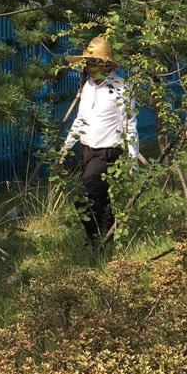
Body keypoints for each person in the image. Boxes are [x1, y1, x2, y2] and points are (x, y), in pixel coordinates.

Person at [62, 36, 139, 243]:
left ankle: (93, 240)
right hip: (86, 149)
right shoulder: (87, 87)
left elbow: (130, 126)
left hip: (107, 150)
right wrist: (65, 149)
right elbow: (81, 119)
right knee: (101, 198)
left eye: (92, 62)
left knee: (85, 193)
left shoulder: (122, 89)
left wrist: (132, 160)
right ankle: (108, 238)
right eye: (86, 63)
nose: (88, 67)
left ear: (105, 65)